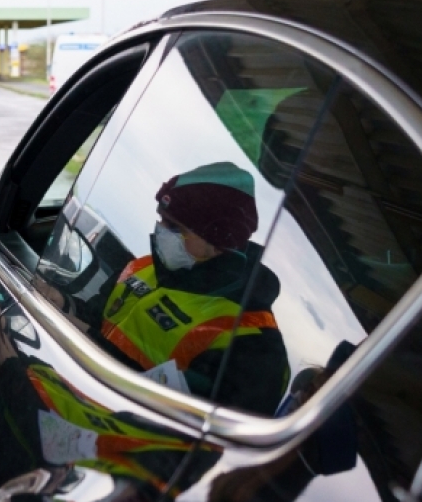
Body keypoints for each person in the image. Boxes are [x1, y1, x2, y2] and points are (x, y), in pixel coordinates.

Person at [65, 162, 289, 416]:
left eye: (175, 228)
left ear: (219, 243)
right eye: (161, 220)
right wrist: (63, 303)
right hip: (76, 402)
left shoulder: (251, 343)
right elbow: (97, 315)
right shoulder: (142, 267)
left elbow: (188, 427)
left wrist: (88, 341)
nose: (161, 232)